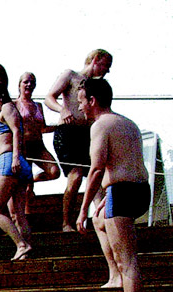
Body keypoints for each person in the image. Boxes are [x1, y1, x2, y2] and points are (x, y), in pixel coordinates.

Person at [75, 78, 150, 292]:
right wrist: (104, 199)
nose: (80, 107)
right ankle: (115, 276)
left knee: (128, 260)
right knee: (100, 220)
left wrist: (83, 208)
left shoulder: (100, 125)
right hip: (138, 190)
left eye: (81, 102)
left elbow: (97, 169)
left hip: (123, 192)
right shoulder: (127, 123)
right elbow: (126, 163)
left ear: (92, 100)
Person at [47, 49, 113, 231]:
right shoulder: (71, 75)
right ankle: (66, 222)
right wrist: (62, 109)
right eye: (106, 65)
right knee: (75, 176)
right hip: (68, 132)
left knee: (97, 177)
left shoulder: (96, 86)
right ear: (96, 59)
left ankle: (100, 221)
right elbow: (49, 97)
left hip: (88, 132)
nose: (107, 70)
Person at [0, 82, 34, 261]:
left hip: (9, 161)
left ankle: (22, 245)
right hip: (17, 163)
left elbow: (16, 131)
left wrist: (15, 158)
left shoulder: (7, 107)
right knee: (17, 214)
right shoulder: (6, 109)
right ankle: (26, 253)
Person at [16, 72, 61, 186]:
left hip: (38, 146)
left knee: (54, 172)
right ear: (19, 85)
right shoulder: (14, 104)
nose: (29, 84)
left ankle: (33, 179)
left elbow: (43, 128)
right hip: (23, 146)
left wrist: (60, 126)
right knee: (26, 187)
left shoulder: (38, 105)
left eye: (32, 82)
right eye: (26, 82)